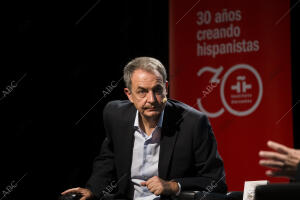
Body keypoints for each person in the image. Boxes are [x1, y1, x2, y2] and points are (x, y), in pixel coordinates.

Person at [62, 57, 227, 199]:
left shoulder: (193, 123)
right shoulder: (115, 115)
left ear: (166, 88)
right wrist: (93, 191)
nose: (152, 99)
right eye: (142, 92)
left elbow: (216, 181)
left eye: (157, 90)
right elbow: (108, 158)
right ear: (129, 94)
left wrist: (173, 186)